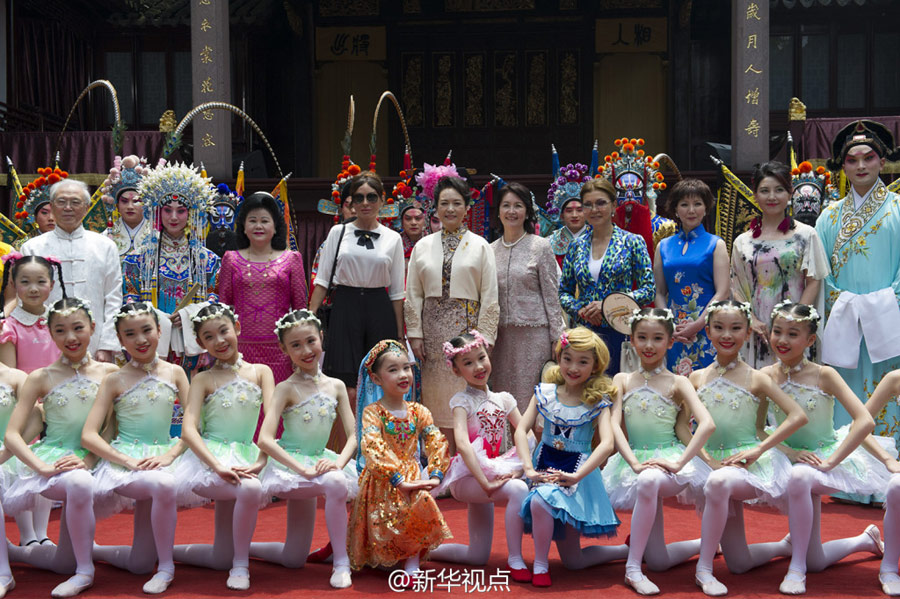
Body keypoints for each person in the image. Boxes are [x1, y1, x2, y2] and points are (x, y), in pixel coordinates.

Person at [760, 301, 885, 595]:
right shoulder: (765, 375)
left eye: (793, 334)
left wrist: (831, 461)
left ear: (810, 340)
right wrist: (789, 453)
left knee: (802, 476)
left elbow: (865, 421)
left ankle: (796, 567)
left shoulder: (823, 375)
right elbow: (757, 428)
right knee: (817, 561)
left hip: (822, 455)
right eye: (777, 331)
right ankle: (863, 541)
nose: (782, 340)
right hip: (787, 455)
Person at [4, 297, 118, 598]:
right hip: (56, 458)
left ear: (92, 327)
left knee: (63, 562)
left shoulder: (110, 372)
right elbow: (13, 434)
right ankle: (85, 571)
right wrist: (40, 466)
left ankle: (17, 552)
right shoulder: (40, 377)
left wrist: (91, 459)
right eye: (60, 330)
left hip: (98, 458)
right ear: (49, 333)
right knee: (79, 482)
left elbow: (112, 427)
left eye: (78, 328)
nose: (70, 337)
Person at [690, 301, 806, 597]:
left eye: (736, 328)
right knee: (739, 563)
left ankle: (703, 569)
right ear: (707, 331)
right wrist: (705, 459)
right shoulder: (696, 377)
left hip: (748, 463)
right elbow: (682, 427)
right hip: (710, 461)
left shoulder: (757, 377)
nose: (727, 335)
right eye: (719, 327)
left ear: (748, 333)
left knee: (718, 482)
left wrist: (761, 449)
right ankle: (785, 546)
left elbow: (797, 415)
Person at [603, 308, 715, 595]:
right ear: (632, 339)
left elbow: (706, 424)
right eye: (642, 337)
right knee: (659, 561)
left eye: (657, 338)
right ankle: (707, 544)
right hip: (634, 459)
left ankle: (632, 569)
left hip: (669, 459)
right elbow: (614, 424)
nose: (649, 345)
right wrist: (632, 462)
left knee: (649, 479)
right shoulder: (622, 379)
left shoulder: (678, 382)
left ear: (670, 342)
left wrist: (680, 463)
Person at [81, 302, 189, 595]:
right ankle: (166, 567)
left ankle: (99, 551)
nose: (140, 340)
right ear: (120, 340)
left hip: (164, 455)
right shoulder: (114, 379)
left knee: (140, 563)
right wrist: (125, 460)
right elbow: (89, 435)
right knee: (163, 484)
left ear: (159, 330)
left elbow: (195, 427)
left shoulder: (176, 372)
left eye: (146, 330)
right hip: (127, 461)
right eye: (130, 334)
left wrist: (170, 454)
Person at [252, 309, 357, 589]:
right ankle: (341, 562)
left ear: (321, 337)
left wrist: (338, 463)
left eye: (311, 341)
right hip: (291, 466)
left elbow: (353, 436)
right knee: (334, 483)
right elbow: (265, 439)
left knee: (293, 558)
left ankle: (340, 561)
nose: (306, 350)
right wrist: (301, 469)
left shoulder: (336, 386)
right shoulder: (285, 388)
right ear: (284, 349)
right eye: (296, 345)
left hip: (322, 462)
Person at [171, 303, 272, 590]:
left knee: (219, 557)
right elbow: (189, 429)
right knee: (248, 489)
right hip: (209, 458)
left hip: (248, 453)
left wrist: (262, 459)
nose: (219, 341)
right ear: (200, 343)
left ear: (237, 327)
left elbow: (271, 420)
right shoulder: (202, 378)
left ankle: (234, 555)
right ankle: (240, 564)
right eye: (209, 337)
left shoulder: (261, 372)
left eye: (223, 331)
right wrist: (216, 465)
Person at [516, 327, 627, 588]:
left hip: (577, 474)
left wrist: (576, 476)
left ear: (595, 365)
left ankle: (627, 551)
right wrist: (528, 469)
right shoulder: (544, 392)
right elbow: (521, 429)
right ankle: (540, 565)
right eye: (567, 359)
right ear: (559, 358)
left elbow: (608, 444)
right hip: (543, 465)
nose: (573, 368)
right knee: (541, 502)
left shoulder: (597, 401)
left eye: (583, 361)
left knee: (574, 561)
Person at [816, 120, 900, 447]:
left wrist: (882, 304)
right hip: (844, 321)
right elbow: (822, 275)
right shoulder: (828, 217)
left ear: (883, 161)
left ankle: (891, 466)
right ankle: (846, 465)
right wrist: (848, 305)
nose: (861, 166)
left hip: (891, 320)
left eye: (869, 158)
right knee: (846, 393)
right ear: (843, 166)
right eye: (852, 160)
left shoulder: (898, 209)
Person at [405, 175, 499, 452]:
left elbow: (490, 295)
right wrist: (415, 333)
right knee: (435, 397)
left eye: (456, 203)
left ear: (467, 207)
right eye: (444, 203)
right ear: (435, 208)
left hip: (467, 334)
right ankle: (440, 460)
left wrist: (485, 337)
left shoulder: (481, 245)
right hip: (432, 336)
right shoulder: (423, 246)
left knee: (468, 394)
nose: (450, 209)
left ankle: (471, 459)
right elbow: (413, 294)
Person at [429, 331, 530, 582]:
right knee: (518, 489)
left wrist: (520, 469)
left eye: (481, 358)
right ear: (456, 370)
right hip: (468, 478)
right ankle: (515, 559)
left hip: (496, 469)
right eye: (468, 363)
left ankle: (424, 550)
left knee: (477, 556)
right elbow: (463, 444)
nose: (478, 367)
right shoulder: (461, 401)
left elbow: (526, 434)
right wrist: (485, 483)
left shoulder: (503, 399)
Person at [347, 340, 451, 584]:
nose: (403, 374)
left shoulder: (419, 411)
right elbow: (373, 445)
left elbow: (435, 440)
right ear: (376, 378)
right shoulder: (373, 412)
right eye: (393, 370)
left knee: (419, 502)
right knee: (386, 531)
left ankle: (412, 566)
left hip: (412, 474)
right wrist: (396, 477)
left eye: (406, 368)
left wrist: (435, 473)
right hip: (382, 478)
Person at [308, 171, 405, 394]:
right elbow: (322, 280)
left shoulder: (393, 238)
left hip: (379, 307)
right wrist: (310, 318)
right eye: (359, 198)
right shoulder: (338, 232)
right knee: (345, 383)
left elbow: (397, 292)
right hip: (345, 305)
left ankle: (377, 418)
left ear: (382, 200)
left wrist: (400, 333)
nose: (365, 203)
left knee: (383, 378)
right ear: (351, 202)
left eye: (371, 197)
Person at [731, 161, 829, 368]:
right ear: (755, 195)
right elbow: (736, 286)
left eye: (779, 190)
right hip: (757, 329)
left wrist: (796, 319)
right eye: (764, 191)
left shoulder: (806, 235)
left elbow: (813, 281)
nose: (772, 197)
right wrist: (751, 319)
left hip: (795, 329)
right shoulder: (742, 242)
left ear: (790, 193)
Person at [559, 177, 654, 375]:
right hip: (586, 333)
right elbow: (564, 292)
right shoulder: (576, 246)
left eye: (600, 203)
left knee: (618, 387)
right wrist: (581, 309)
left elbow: (648, 290)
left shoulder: (632, 242)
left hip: (621, 330)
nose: (594, 209)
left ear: (613, 205)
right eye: (588, 205)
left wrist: (607, 306)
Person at [130, 163, 220, 371]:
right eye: (167, 210)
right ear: (157, 211)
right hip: (150, 337)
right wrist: (154, 317)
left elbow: (215, 298)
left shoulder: (209, 260)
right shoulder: (137, 259)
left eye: (181, 211)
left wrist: (191, 315)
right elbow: (130, 298)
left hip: (195, 343)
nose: (173, 217)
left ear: (191, 213)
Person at [21, 180, 122, 362]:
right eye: (61, 202)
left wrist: (107, 345)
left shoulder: (105, 246)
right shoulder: (32, 248)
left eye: (75, 202)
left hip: (96, 343)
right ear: (52, 207)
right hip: (46, 343)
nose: (68, 208)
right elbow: (25, 301)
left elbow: (113, 297)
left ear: (86, 208)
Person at [218, 192, 308, 386]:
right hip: (240, 350)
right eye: (252, 220)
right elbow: (223, 309)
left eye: (265, 221)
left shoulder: (292, 259)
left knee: (278, 401)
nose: (258, 226)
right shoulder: (230, 259)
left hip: (281, 351)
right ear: (243, 226)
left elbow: (300, 310)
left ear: (275, 227)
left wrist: (298, 350)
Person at [490, 182, 565, 412]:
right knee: (503, 399)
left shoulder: (541, 246)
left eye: (518, 205)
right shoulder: (490, 250)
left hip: (534, 335)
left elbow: (552, 295)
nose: (511, 211)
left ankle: (532, 436)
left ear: (527, 211)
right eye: (506, 205)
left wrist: (557, 336)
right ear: (498, 211)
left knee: (532, 398)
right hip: (501, 338)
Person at [653, 179, 729, 375]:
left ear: (706, 208)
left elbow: (722, 292)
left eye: (697, 204)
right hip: (674, 330)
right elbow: (659, 291)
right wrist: (668, 324)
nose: (691, 210)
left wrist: (698, 324)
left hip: (708, 327)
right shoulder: (663, 246)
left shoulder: (716, 244)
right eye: (684, 204)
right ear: (676, 209)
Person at [862, 371, 900, 596]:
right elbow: (859, 425)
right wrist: (887, 459)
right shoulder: (895, 378)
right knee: (896, 487)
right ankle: (889, 566)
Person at [100, 155, 156, 299]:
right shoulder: (105, 238)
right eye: (124, 201)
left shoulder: (157, 237)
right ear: (117, 205)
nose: (130, 206)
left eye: (136, 201)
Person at [0, 254, 64, 371]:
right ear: (13, 284)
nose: (33, 289)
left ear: (51, 285)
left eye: (41, 281)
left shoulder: (61, 322)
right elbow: (9, 375)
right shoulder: (8, 328)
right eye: (25, 282)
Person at [544, 159, 590, 268]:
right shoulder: (549, 243)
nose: (574, 215)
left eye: (579, 210)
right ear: (561, 215)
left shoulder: (598, 238)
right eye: (569, 211)